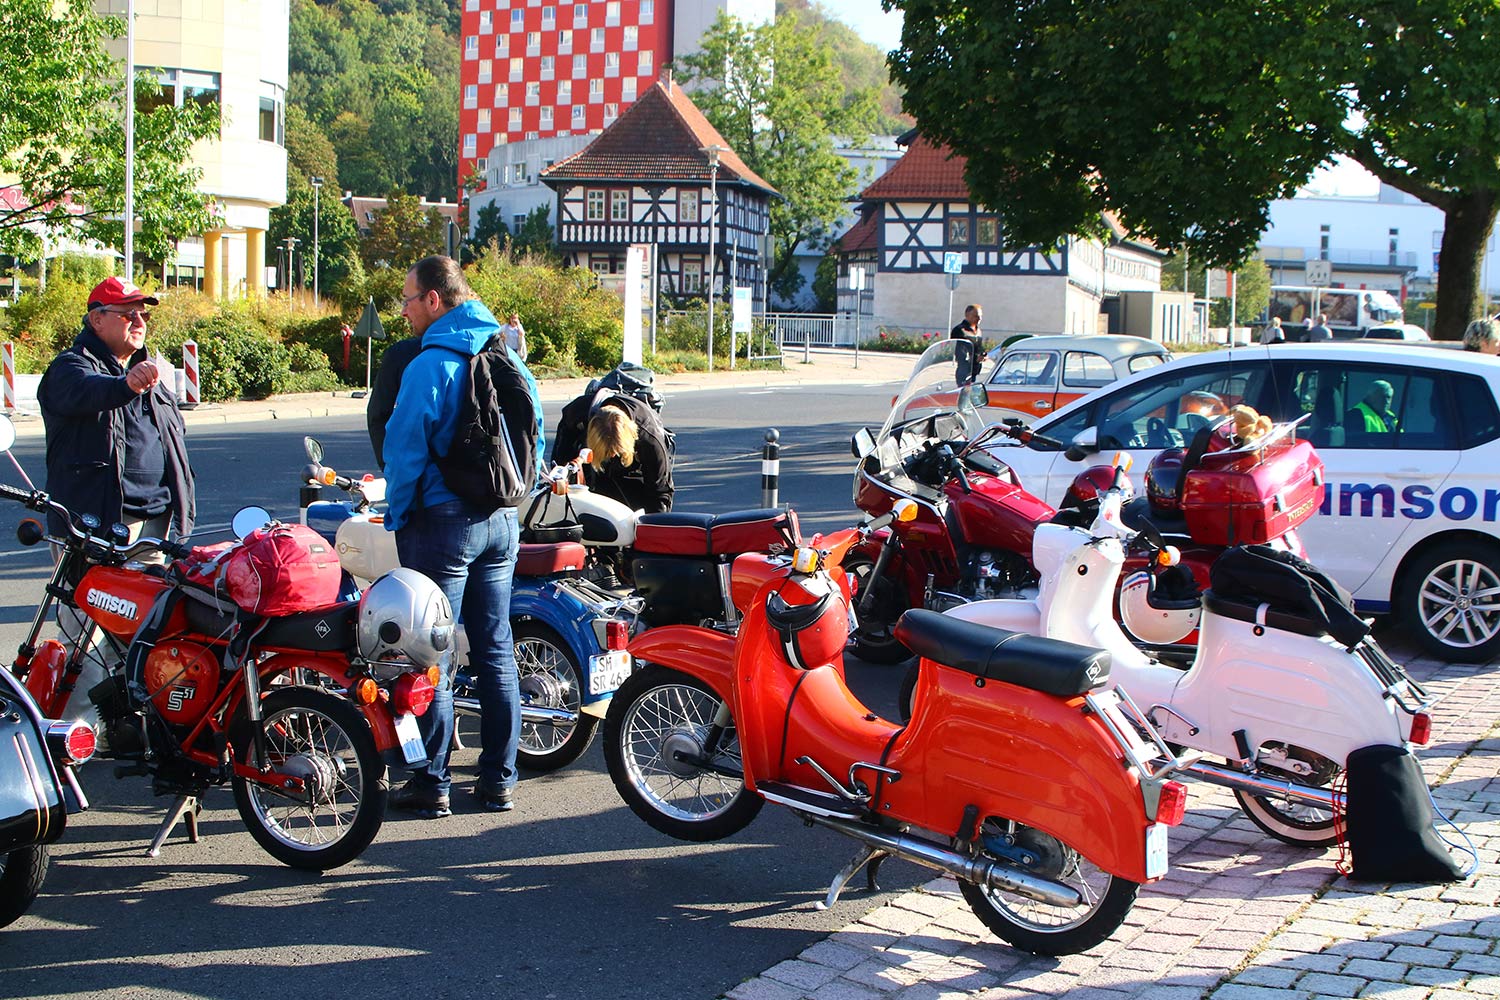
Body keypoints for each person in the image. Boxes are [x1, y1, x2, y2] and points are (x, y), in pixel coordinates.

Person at [380, 255, 542, 818]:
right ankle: (499, 779)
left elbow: (404, 451)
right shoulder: (507, 354)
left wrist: (400, 514)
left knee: (433, 652)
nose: (401, 310)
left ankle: (431, 781)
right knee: (495, 648)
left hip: (443, 521)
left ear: (435, 300)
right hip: (503, 518)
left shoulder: (433, 363)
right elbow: (535, 438)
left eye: (406, 298)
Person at [37, 277, 195, 542]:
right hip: (99, 524)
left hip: (159, 521)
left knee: (158, 586)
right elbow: (91, 390)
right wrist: (127, 384)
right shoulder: (71, 367)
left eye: (144, 315)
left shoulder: (149, 371)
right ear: (97, 319)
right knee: (94, 586)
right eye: (129, 315)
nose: (140, 323)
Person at [584, 394, 674, 514]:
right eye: (607, 452)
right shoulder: (576, 418)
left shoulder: (650, 438)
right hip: (598, 470)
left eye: (615, 451)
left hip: (636, 466)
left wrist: (653, 527)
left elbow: (660, 492)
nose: (612, 456)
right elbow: (561, 467)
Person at [949, 304, 984, 381]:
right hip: (964, 371)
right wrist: (975, 359)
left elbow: (979, 348)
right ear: (967, 315)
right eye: (976, 316)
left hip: (976, 370)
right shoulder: (960, 330)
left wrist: (983, 355)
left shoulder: (978, 331)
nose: (979, 319)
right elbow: (959, 352)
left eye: (981, 316)